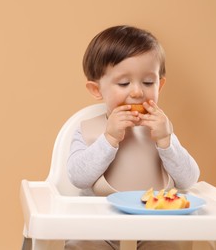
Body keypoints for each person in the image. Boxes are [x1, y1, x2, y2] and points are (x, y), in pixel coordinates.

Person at [65, 25, 200, 249]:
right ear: (96, 89)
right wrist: (108, 138)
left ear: (160, 84)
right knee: (77, 245)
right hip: (98, 230)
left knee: (177, 244)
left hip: (154, 230)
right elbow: (78, 177)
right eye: (124, 83)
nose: (137, 92)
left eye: (148, 82)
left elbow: (189, 179)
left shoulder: (161, 131)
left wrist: (166, 142)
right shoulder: (87, 130)